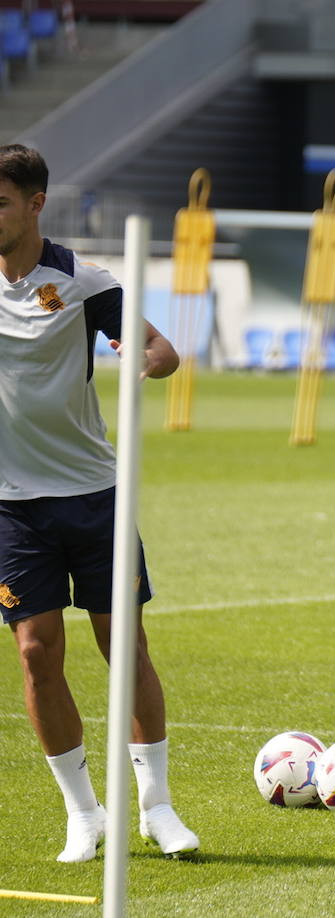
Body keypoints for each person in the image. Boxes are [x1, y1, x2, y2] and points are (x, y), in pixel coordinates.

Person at [0, 144, 198, 861]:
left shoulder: (81, 280)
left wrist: (142, 361)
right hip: (11, 509)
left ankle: (158, 806)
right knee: (34, 653)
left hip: (94, 496)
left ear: (33, 204)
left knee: (125, 649)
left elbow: (162, 348)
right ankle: (84, 813)